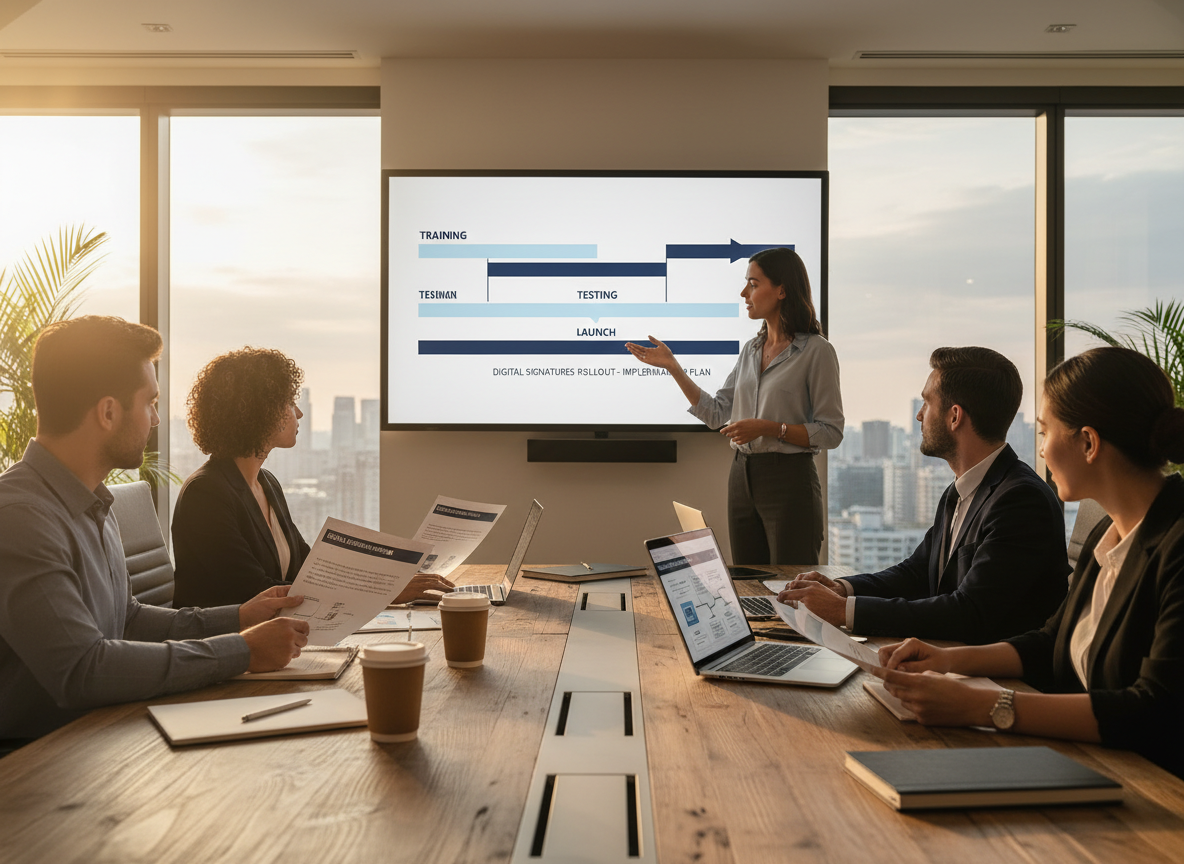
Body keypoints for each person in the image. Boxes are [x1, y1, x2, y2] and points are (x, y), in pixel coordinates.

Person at [876, 347, 1184, 779]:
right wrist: (945, 661)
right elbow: (1049, 642)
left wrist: (986, 706)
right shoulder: (1108, 533)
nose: (1039, 451)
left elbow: (1154, 709)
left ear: (1088, 443)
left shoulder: (1176, 546)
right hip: (1092, 762)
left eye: (1044, 432)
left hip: (1152, 792)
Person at [0, 316, 309, 743]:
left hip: (104, 735)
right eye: (150, 403)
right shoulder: (18, 517)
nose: (157, 420)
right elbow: (81, 670)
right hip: (37, 764)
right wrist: (242, 650)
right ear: (108, 412)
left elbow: (127, 620)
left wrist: (240, 617)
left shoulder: (93, 502)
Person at [779, 347, 1069, 644]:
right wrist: (841, 589)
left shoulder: (1020, 501)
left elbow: (970, 612)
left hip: (998, 678)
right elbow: (918, 572)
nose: (919, 415)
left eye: (926, 402)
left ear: (954, 416)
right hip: (947, 657)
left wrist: (843, 611)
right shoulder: (959, 491)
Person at [172, 347, 453, 608]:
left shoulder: (266, 482)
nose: (299, 413)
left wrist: (388, 577)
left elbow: (306, 569)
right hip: (228, 649)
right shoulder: (206, 494)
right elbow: (254, 592)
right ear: (259, 412)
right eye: (289, 403)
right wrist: (381, 593)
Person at [625, 247, 843, 564]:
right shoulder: (751, 351)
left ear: (782, 290)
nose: (744, 293)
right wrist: (674, 367)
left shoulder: (817, 352)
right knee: (747, 583)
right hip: (742, 475)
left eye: (753, 284)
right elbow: (716, 413)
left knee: (789, 587)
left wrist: (769, 428)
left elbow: (831, 432)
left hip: (790, 482)